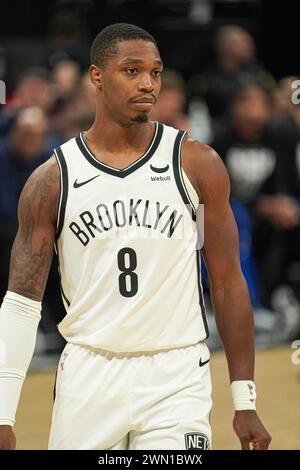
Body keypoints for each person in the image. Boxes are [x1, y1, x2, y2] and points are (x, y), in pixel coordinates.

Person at [0, 23, 271, 450]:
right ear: (97, 76)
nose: (148, 83)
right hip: (90, 372)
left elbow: (228, 282)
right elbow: (20, 302)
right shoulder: (52, 180)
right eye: (132, 71)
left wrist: (245, 400)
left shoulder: (197, 164)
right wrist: (2, 412)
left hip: (176, 373)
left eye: (156, 72)